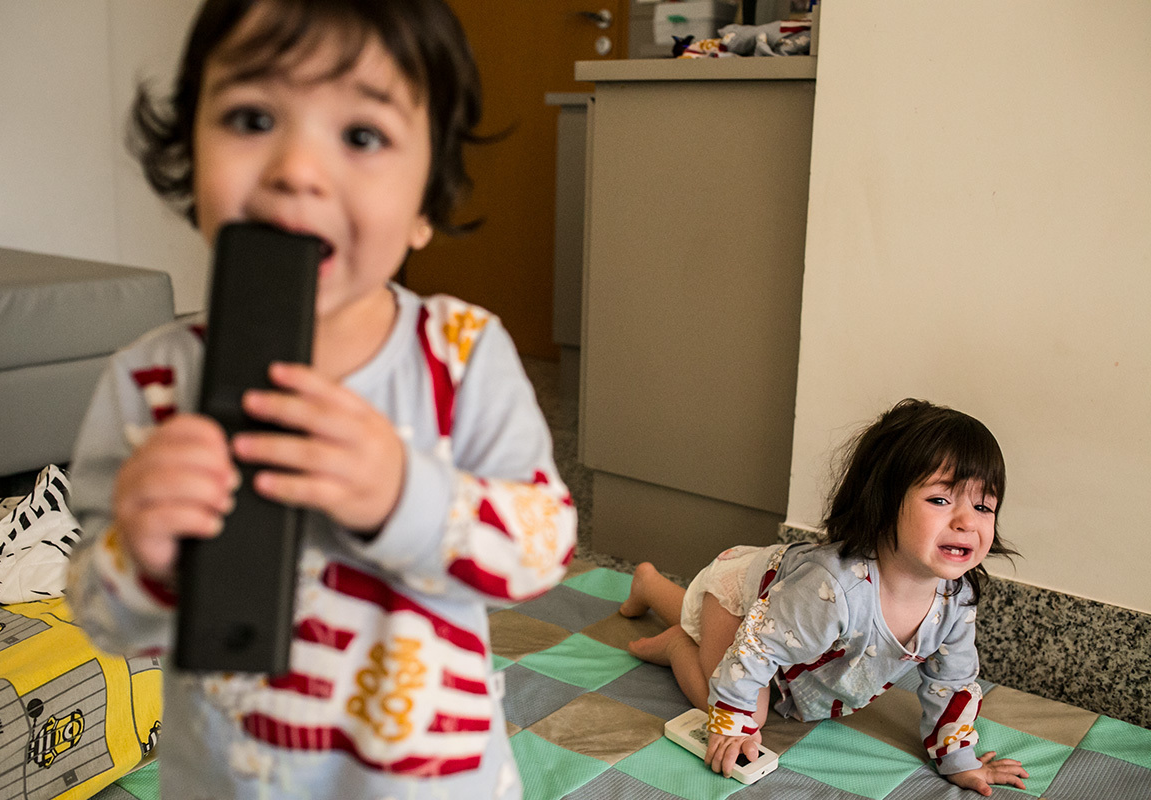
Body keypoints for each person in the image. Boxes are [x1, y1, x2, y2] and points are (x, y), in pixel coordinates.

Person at [65, 1, 576, 798]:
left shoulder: (462, 355)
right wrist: (143, 552)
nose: (297, 170)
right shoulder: (151, 383)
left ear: (425, 203)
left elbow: (543, 547)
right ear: (190, 153)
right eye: (252, 118)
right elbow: (102, 617)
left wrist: (405, 493)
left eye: (362, 135)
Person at [620, 399, 1029, 797]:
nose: (967, 521)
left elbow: (953, 684)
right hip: (742, 601)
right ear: (884, 504)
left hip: (781, 620)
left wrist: (960, 761)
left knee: (720, 634)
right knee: (748, 711)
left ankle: (648, 583)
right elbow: (758, 646)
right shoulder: (834, 588)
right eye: (940, 500)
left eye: (983, 505)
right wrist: (732, 724)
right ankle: (677, 647)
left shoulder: (956, 599)